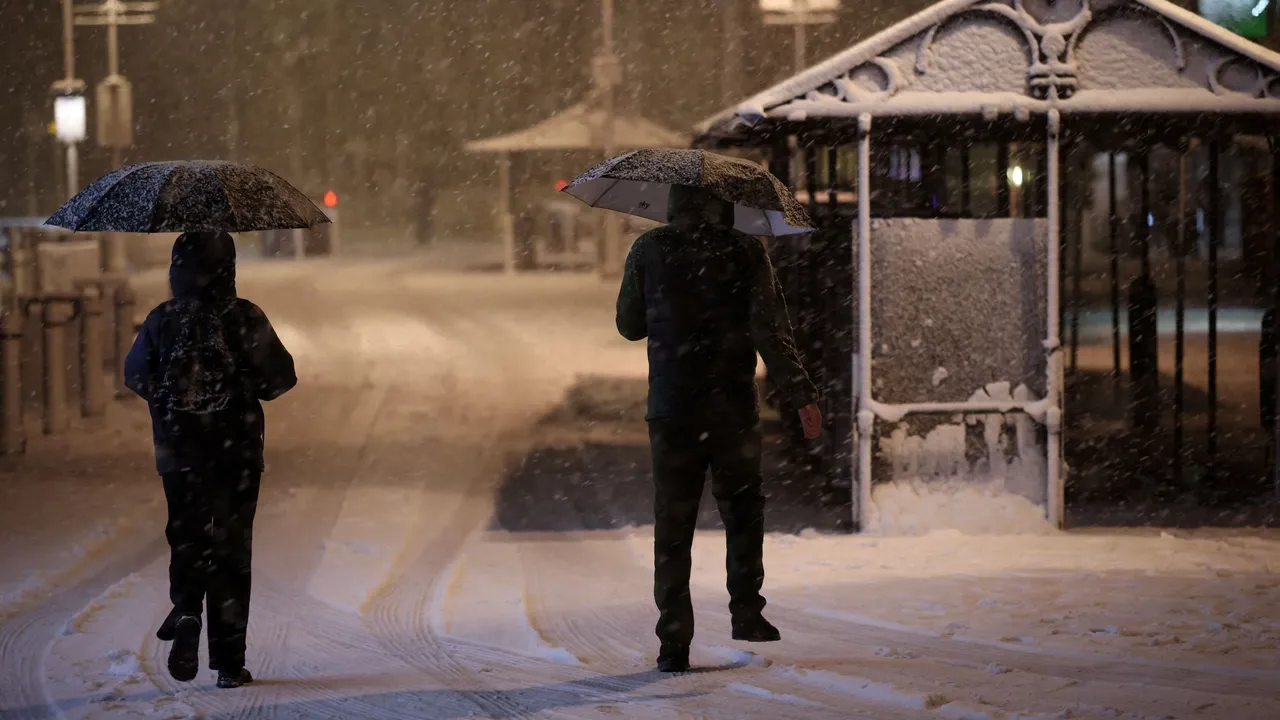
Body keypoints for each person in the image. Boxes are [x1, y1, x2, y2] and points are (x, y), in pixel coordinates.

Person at [616, 185, 822, 673]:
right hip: (731, 407)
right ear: (724, 204)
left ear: (671, 202)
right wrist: (802, 394)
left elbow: (628, 325)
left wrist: (666, 302)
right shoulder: (744, 249)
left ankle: (673, 644)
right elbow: (770, 328)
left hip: (671, 408)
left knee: (673, 524)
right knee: (743, 510)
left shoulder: (649, 248)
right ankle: (747, 611)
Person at [124, 231, 296, 689]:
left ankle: (185, 612)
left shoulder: (163, 318)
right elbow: (280, 380)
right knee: (231, 551)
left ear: (175, 269)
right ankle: (227, 661)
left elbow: (136, 374)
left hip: (179, 452)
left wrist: (169, 403)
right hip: (235, 453)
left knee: (187, 539)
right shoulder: (244, 317)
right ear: (230, 269)